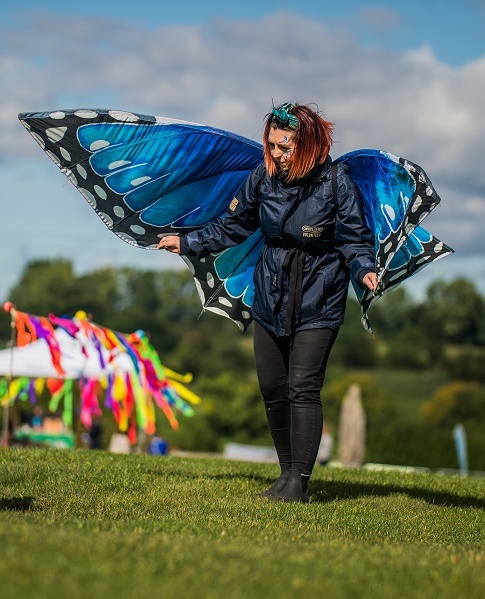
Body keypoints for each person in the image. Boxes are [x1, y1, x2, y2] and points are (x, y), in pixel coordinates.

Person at [158, 102, 378, 503]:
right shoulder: (264, 178)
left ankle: (299, 483)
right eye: (273, 145)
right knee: (273, 388)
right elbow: (233, 225)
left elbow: (354, 237)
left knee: (303, 388)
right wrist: (188, 243)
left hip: (320, 298)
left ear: (308, 144)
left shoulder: (336, 183)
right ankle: (285, 473)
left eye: (285, 146)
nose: (276, 153)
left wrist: (364, 269)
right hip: (270, 294)